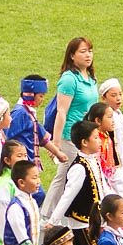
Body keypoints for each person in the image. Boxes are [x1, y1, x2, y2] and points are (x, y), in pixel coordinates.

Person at [42, 37, 99, 217]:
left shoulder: (89, 78)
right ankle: (48, 215)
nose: (88, 55)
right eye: (83, 51)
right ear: (72, 56)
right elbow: (61, 112)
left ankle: (51, 213)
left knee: (67, 175)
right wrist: (56, 142)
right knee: (66, 175)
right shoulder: (69, 79)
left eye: (89, 50)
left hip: (85, 135)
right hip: (70, 136)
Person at [44, 120, 108, 245]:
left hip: (92, 220)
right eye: (95, 138)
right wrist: (53, 221)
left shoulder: (93, 161)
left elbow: (102, 188)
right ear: (85, 142)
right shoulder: (79, 167)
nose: (99, 141)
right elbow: (67, 195)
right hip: (82, 222)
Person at [7, 74, 65, 205]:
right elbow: (5, 137)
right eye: (40, 96)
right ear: (30, 95)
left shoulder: (29, 113)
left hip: (28, 165)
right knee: (36, 195)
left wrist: (58, 153)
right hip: (21, 166)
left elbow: (42, 137)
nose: (42, 99)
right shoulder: (20, 114)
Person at [98, 78, 123, 206]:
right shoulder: (106, 118)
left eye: (120, 94)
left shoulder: (120, 115)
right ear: (104, 98)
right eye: (113, 95)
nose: (118, 98)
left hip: (121, 165)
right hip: (111, 166)